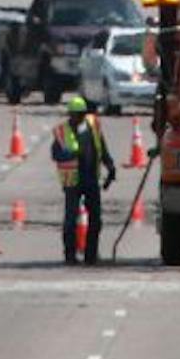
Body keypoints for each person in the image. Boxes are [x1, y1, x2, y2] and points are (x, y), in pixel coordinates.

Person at [50, 95, 115, 265]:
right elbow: (55, 154)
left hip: (91, 179)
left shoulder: (92, 127)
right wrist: (71, 154)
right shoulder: (62, 131)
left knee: (96, 219)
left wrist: (110, 168)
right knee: (71, 220)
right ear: (69, 114)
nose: (77, 117)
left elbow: (102, 149)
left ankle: (90, 255)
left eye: (80, 114)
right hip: (72, 181)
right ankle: (70, 255)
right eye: (74, 114)